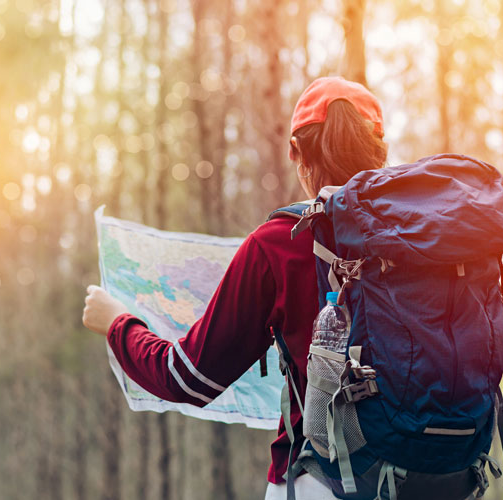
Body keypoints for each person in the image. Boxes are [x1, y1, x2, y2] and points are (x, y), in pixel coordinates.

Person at [83, 76, 388, 499]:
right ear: (381, 152)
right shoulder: (433, 238)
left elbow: (188, 378)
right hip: (443, 481)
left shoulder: (281, 244)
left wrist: (118, 323)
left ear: (295, 153)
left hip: (327, 482)